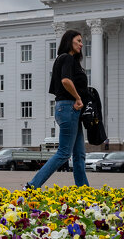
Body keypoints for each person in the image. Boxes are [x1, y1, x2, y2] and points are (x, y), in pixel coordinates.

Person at [26, 29, 90, 190]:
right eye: (78, 41)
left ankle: (83, 191)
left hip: (70, 110)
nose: (81, 44)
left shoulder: (66, 60)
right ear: (69, 41)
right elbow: (66, 81)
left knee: (79, 155)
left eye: (82, 41)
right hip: (69, 107)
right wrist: (78, 98)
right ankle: (32, 186)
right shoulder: (66, 58)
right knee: (63, 153)